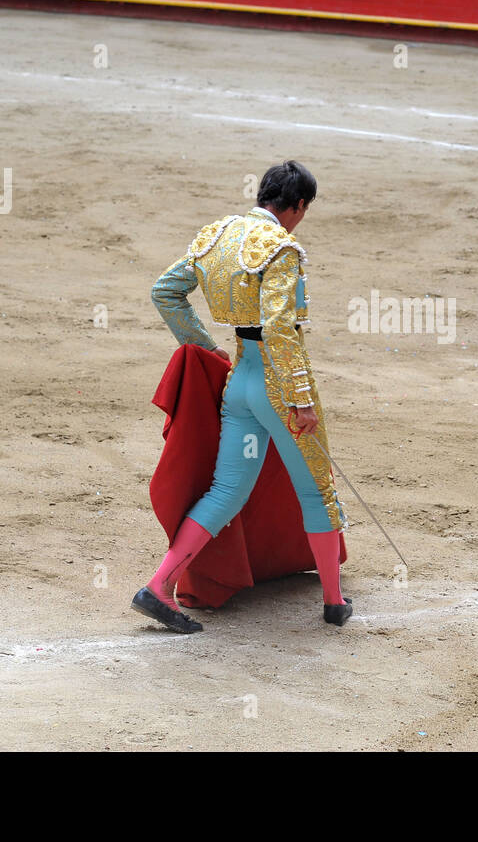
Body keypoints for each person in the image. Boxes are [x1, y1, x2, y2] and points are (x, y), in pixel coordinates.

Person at [134, 161, 352, 633]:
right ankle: (334, 602)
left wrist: (205, 345)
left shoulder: (216, 236)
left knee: (226, 491)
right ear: (296, 206)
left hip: (240, 384)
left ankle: (157, 587)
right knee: (316, 491)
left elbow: (166, 292)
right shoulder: (282, 248)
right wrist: (299, 399)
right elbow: (278, 327)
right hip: (276, 386)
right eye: (303, 210)